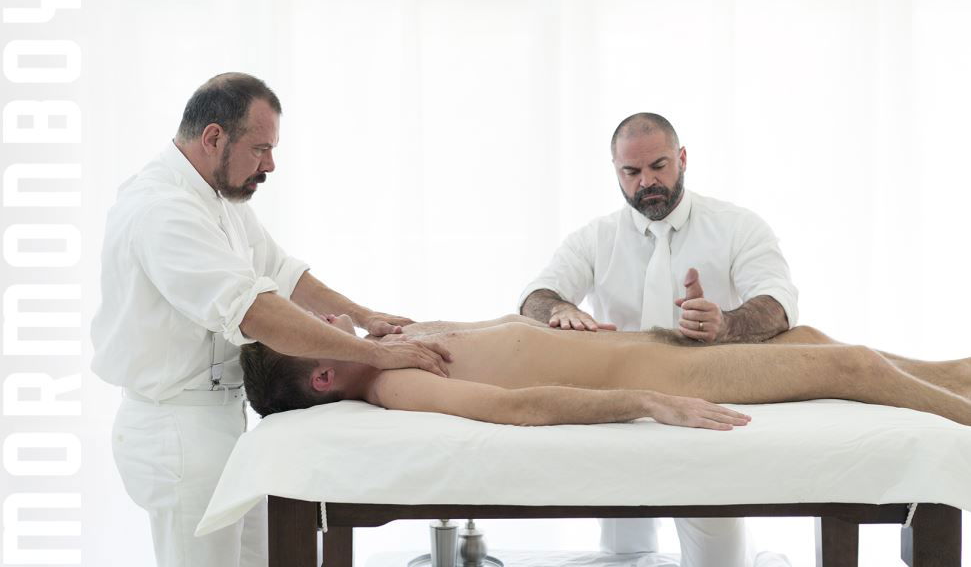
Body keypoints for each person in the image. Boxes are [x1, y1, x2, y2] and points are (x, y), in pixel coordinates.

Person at [90, 73, 451, 567]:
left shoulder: (218, 195)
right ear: (214, 137)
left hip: (223, 419)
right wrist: (373, 353)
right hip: (176, 425)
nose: (271, 164)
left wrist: (367, 317)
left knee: (266, 556)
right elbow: (255, 310)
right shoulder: (161, 210)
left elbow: (280, 273)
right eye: (260, 149)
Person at [518, 112, 800, 561]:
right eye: (632, 172)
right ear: (615, 170)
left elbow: (779, 303)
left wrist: (726, 324)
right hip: (622, 412)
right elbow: (534, 296)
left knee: (718, 560)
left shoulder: (737, 226)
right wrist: (561, 309)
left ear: (683, 159)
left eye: (659, 166)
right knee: (623, 557)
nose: (647, 181)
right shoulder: (596, 237)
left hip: (706, 409)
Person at [241, 316, 971, 429]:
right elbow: (512, 407)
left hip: (651, 341)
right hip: (669, 373)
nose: (330, 324)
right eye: (317, 335)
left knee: (809, 336)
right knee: (852, 365)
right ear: (325, 381)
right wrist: (644, 401)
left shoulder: (387, 345)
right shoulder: (395, 383)